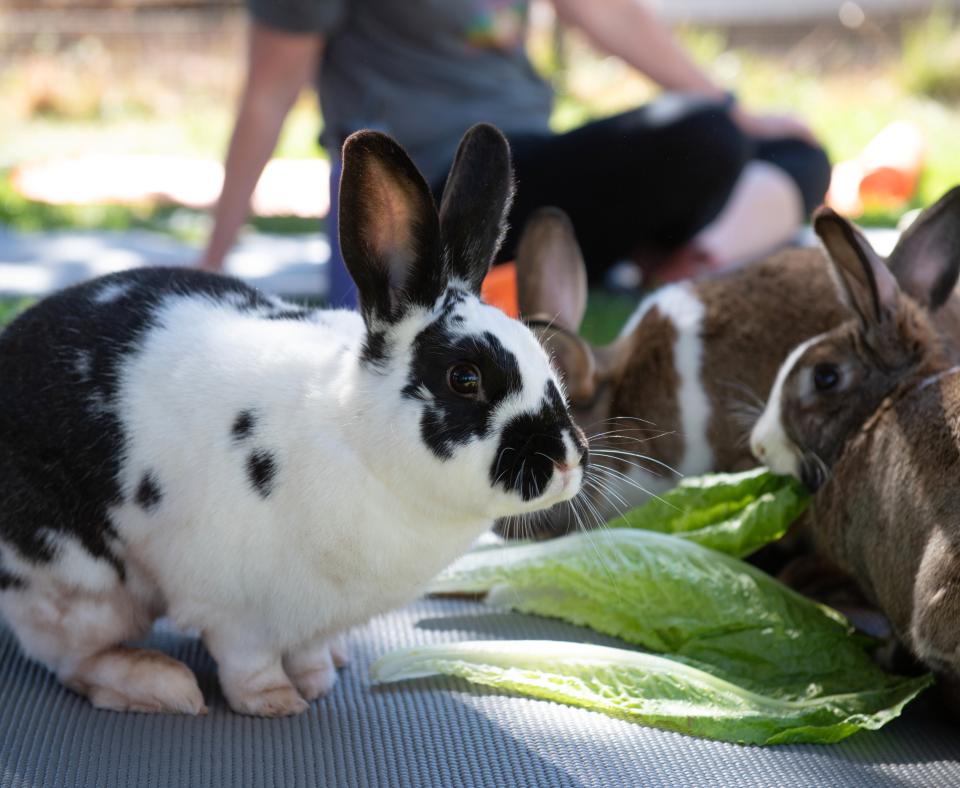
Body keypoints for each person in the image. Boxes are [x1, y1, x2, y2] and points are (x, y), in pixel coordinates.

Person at [198, 0, 831, 305]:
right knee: (706, 136)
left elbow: (611, 16)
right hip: (444, 190)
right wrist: (213, 262)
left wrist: (745, 114)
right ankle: (669, 253)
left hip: (538, 163)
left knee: (798, 151)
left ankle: (692, 263)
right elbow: (267, 95)